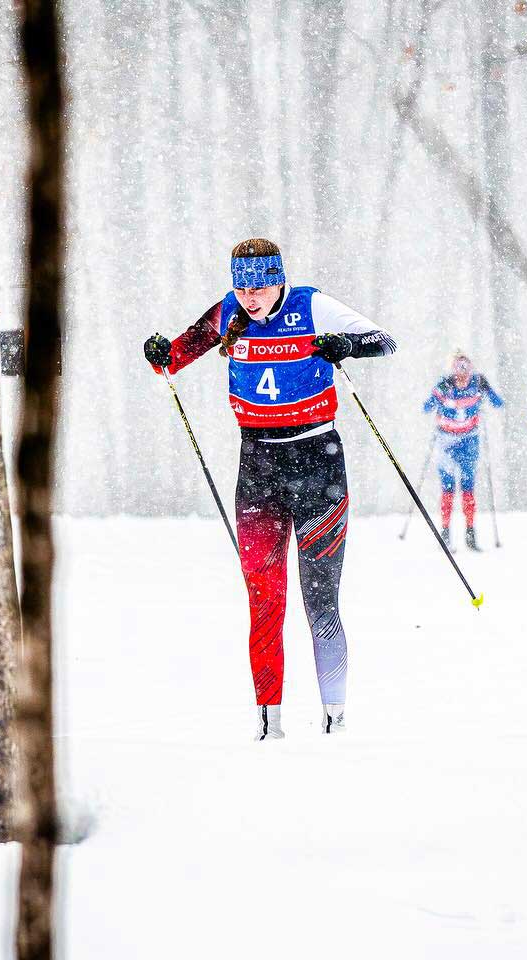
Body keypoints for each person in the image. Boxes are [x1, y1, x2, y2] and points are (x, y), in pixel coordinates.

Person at [142, 238, 397, 740]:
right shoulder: (227, 312)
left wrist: (346, 346)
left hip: (319, 462)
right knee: (264, 598)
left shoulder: (311, 305)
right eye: (242, 286)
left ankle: (336, 717)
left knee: (320, 598)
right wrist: (157, 354)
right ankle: (269, 723)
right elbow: (173, 359)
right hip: (258, 466)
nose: (251, 297)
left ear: (280, 279)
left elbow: (385, 341)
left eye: (260, 285)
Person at [421, 351, 503, 551]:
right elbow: (426, 407)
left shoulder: (477, 384)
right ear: (453, 371)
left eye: (466, 374)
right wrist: (439, 393)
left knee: (468, 488)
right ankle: (446, 533)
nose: (462, 379)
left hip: (469, 441)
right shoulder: (445, 384)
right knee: (448, 489)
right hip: (446, 442)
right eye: (458, 373)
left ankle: (470, 534)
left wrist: (485, 387)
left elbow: (498, 402)